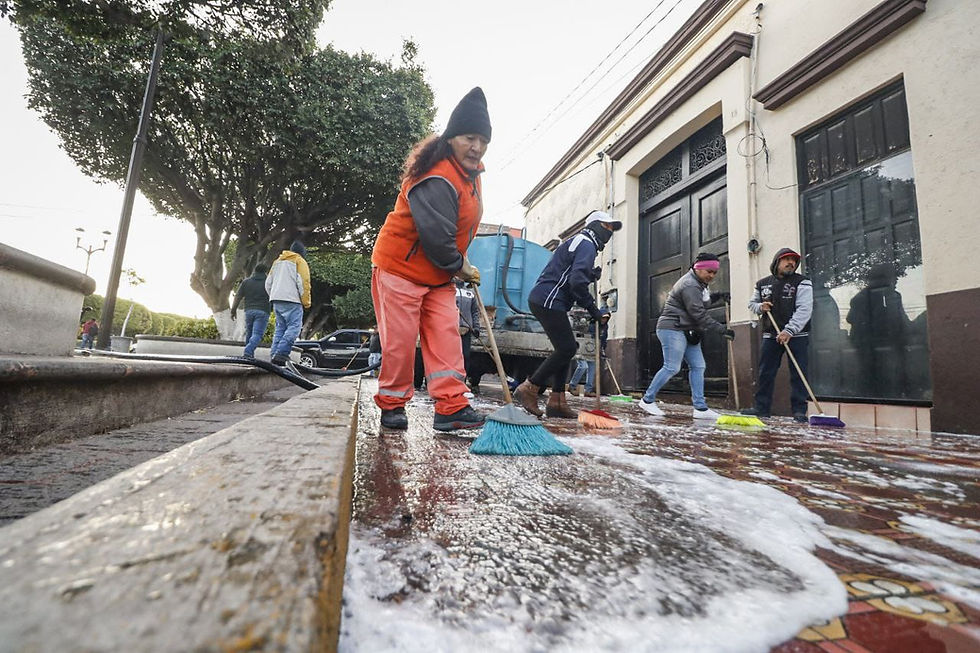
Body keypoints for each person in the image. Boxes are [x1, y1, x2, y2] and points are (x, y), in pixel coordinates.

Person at [370, 87, 490, 432]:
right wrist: (461, 266)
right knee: (401, 342)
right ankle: (392, 404)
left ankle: (450, 407)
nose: (477, 147)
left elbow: (457, 229)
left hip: (438, 274)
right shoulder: (435, 173)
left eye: (483, 140)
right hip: (401, 268)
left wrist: (459, 262)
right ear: (452, 137)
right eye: (470, 137)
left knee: (447, 337)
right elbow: (438, 239)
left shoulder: (472, 174)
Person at [515, 210, 621, 418]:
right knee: (566, 348)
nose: (609, 231)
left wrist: (590, 274)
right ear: (594, 226)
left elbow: (567, 270)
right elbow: (576, 283)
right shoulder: (587, 243)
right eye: (606, 226)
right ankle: (529, 387)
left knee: (565, 349)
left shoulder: (580, 241)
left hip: (547, 298)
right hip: (549, 299)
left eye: (612, 228)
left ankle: (557, 401)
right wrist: (594, 310)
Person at [639, 252, 733, 419]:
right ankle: (647, 400)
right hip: (672, 327)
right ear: (698, 268)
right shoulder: (690, 284)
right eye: (709, 271)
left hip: (687, 329)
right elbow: (697, 312)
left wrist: (717, 297)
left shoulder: (700, 284)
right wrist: (721, 329)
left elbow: (700, 304)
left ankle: (700, 408)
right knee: (672, 367)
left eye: (714, 272)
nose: (712, 275)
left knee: (698, 366)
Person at [741, 248, 813, 422]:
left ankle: (799, 411)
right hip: (771, 333)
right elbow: (752, 304)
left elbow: (805, 309)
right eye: (786, 259)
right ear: (776, 262)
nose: (791, 263)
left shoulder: (802, 282)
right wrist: (760, 307)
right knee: (766, 371)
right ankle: (761, 408)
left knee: (798, 372)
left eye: (794, 260)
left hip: (797, 334)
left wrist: (789, 330)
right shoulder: (762, 284)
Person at [265, 240, 311, 366]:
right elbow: (303, 282)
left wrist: (274, 295)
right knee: (294, 328)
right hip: (292, 300)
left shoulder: (277, 262)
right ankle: (282, 353)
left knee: (280, 329)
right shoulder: (299, 261)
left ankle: (274, 355)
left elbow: (268, 283)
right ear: (302, 252)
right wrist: (306, 302)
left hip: (276, 300)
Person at [230, 263, 271, 359]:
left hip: (249, 311)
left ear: (255, 270)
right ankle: (248, 352)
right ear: (265, 272)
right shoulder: (268, 283)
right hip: (263, 311)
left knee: (249, 332)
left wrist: (233, 310)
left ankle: (249, 355)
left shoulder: (246, 282)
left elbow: (238, 296)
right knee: (257, 334)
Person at [568, 308, 609, 396]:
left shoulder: (605, 327)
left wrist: (602, 349)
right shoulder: (591, 324)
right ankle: (572, 386)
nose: (604, 320)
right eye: (602, 318)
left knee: (592, 368)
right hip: (582, 348)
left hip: (593, 350)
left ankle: (588, 390)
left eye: (606, 318)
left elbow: (604, 339)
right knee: (583, 366)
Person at [454, 278, 482, 389]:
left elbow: (475, 312)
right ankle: (450, 382)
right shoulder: (449, 292)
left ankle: (462, 382)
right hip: (452, 329)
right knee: (452, 357)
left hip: (466, 330)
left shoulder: (470, 294)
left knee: (465, 357)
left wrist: (476, 327)